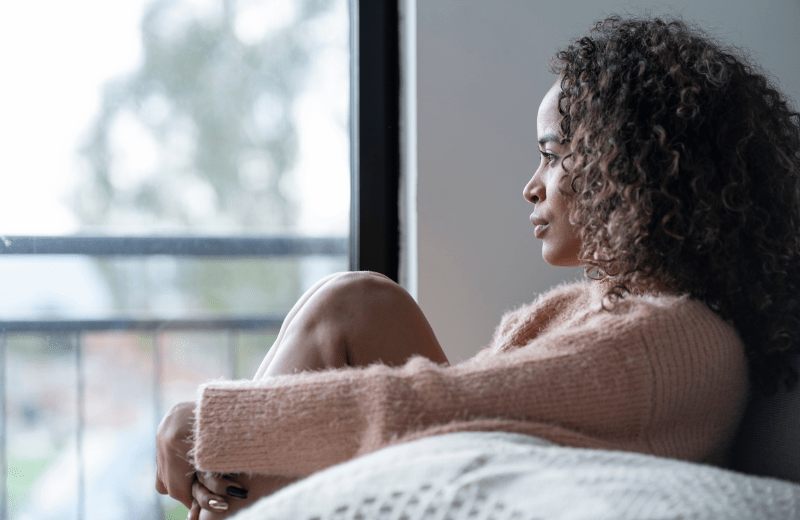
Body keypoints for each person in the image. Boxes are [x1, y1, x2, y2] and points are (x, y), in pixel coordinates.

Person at [155, 15, 800, 519]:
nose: (532, 185)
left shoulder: (675, 340)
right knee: (354, 304)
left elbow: (439, 406)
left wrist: (219, 424)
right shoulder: (597, 307)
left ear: (630, 165)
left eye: (552, 155)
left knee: (353, 305)